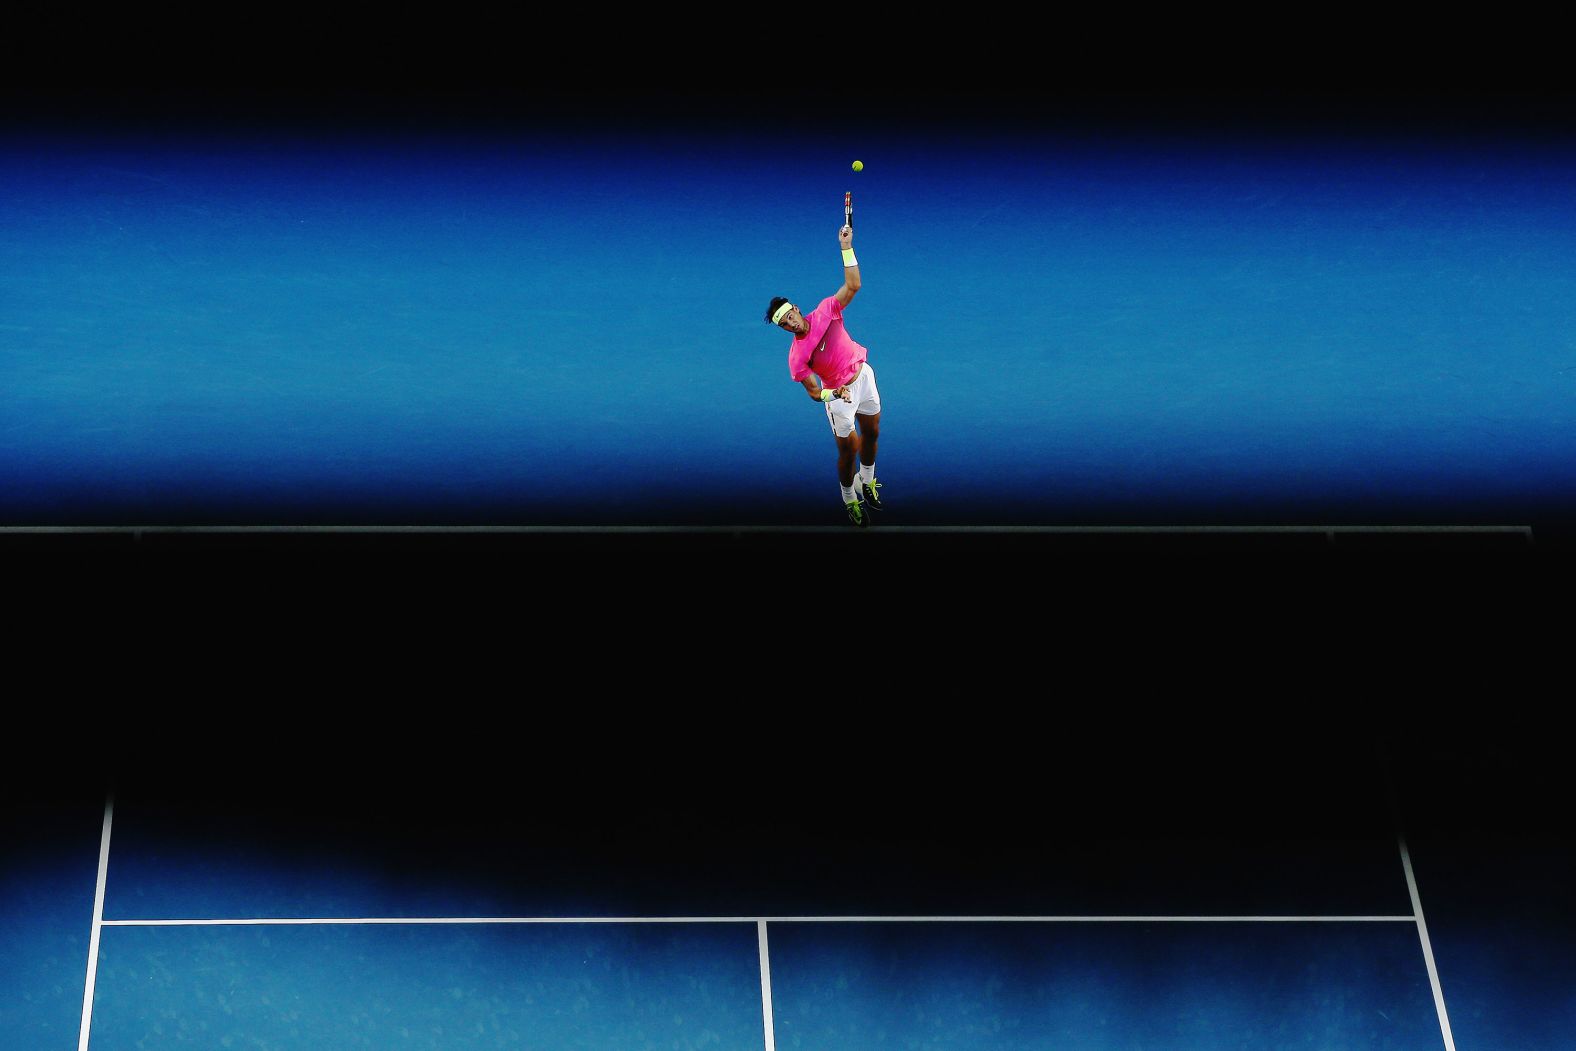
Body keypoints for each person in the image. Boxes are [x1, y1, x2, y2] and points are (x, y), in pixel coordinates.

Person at [765, 223, 883, 527]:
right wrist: (834, 394)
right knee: (849, 449)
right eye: (784, 324)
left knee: (872, 432)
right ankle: (848, 498)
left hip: (863, 377)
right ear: (784, 329)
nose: (790, 322)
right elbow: (814, 392)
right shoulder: (796, 358)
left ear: (796, 309)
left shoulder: (826, 310)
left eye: (789, 315)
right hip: (839, 397)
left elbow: (853, 285)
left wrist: (846, 247)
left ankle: (866, 480)